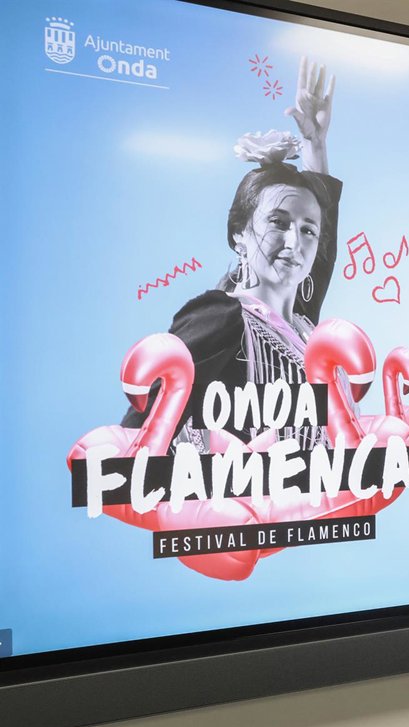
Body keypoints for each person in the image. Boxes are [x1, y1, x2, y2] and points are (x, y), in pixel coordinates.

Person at [124, 57, 341, 450]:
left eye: (307, 230)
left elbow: (319, 251)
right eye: (277, 222)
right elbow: (139, 434)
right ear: (239, 234)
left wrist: (315, 144)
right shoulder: (222, 316)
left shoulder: (303, 328)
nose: (295, 242)